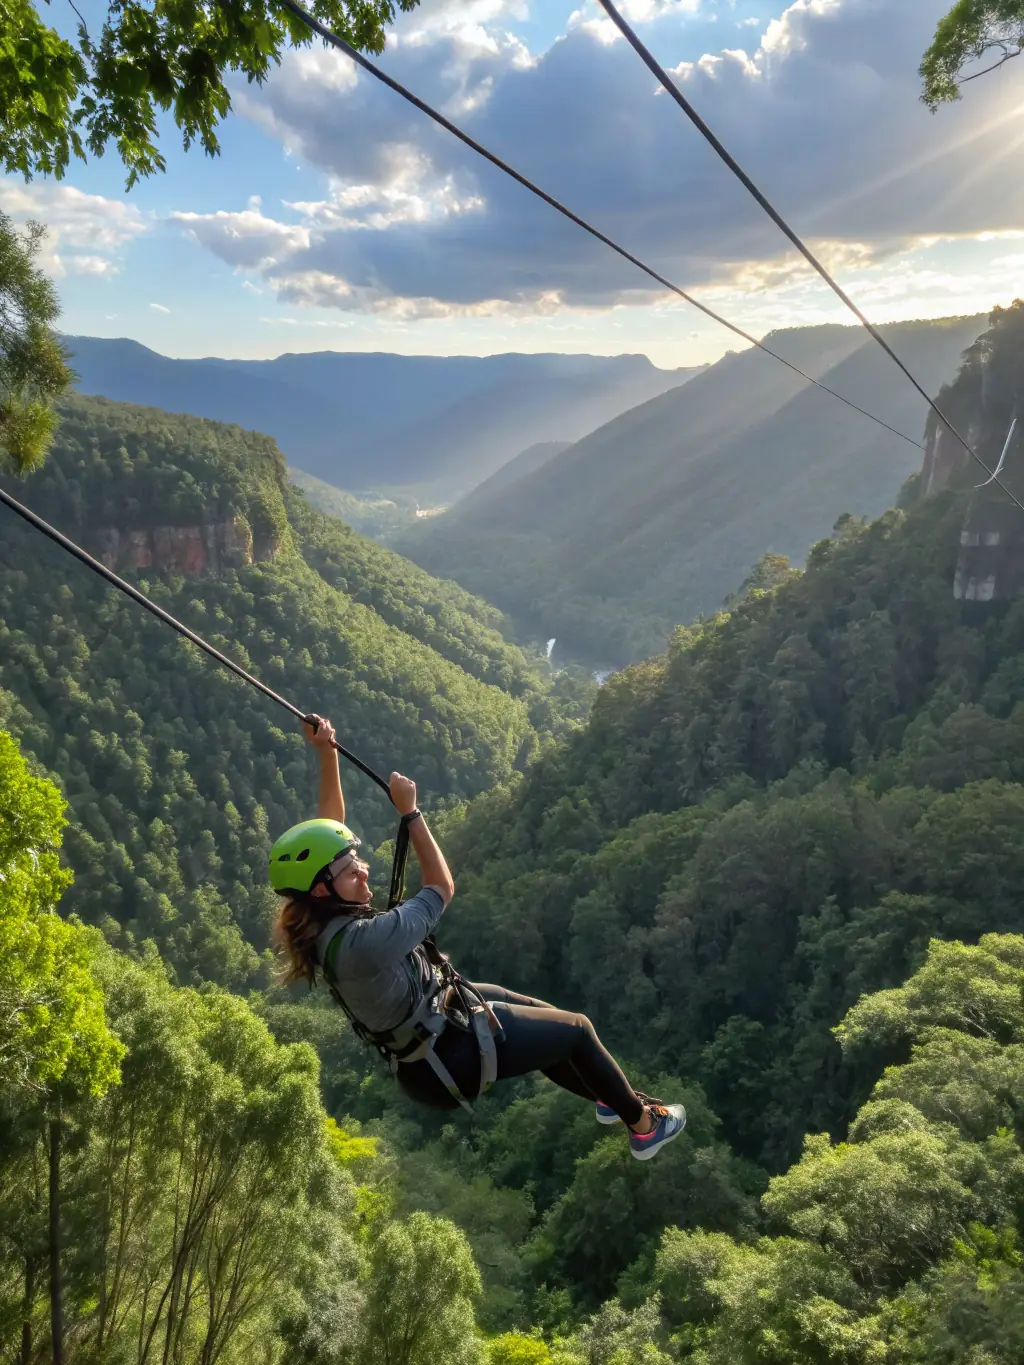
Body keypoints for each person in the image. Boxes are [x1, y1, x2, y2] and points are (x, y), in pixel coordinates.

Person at [270, 715, 687, 1161]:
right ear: (322, 888)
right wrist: (411, 813)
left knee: (548, 1018)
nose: (363, 868)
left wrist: (326, 754)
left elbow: (327, 831)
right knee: (577, 1030)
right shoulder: (363, 944)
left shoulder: (318, 913)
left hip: (434, 1019)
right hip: (447, 1057)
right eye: (351, 870)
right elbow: (440, 889)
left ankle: (611, 1095)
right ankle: (644, 1127)